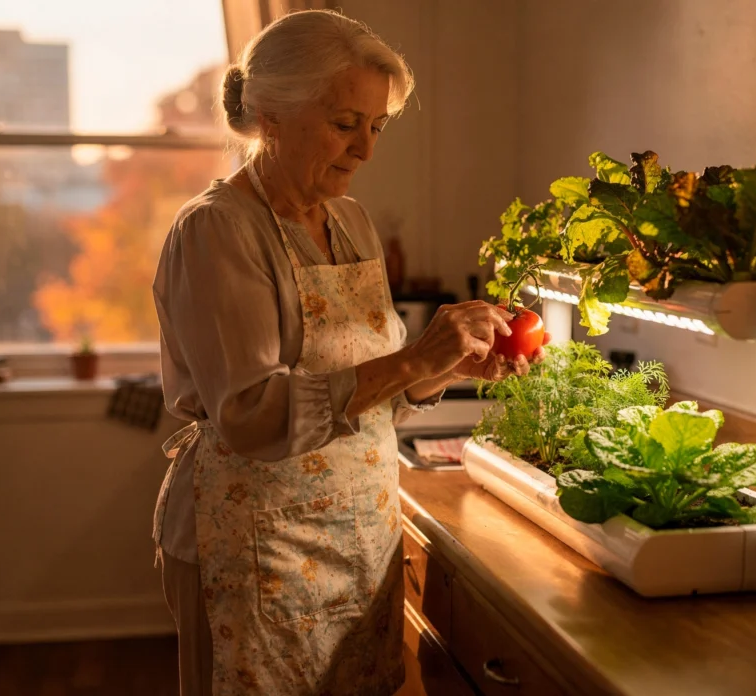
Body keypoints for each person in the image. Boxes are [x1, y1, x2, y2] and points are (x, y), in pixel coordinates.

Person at [151, 9, 548, 696]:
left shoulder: (352, 220)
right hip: (251, 544)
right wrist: (416, 360)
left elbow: (378, 389)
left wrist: (448, 366)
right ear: (272, 115)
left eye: (377, 126)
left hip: (358, 533)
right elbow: (249, 415)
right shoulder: (219, 229)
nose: (365, 148)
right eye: (344, 123)